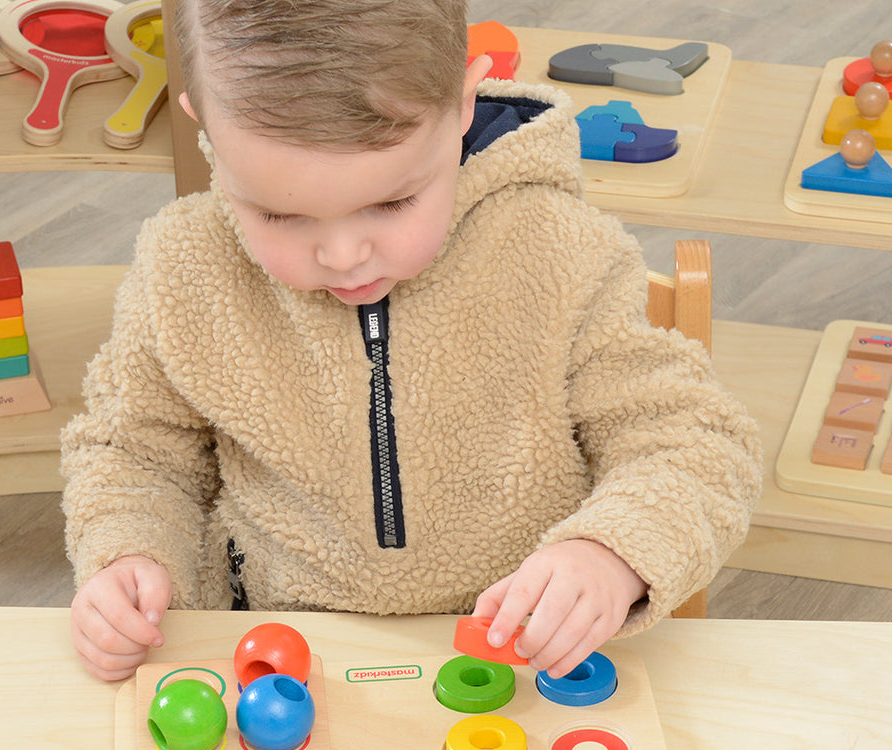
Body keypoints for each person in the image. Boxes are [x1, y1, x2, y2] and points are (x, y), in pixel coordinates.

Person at [61, 0, 763, 682]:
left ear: (461, 106)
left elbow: (694, 443)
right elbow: (135, 453)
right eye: (279, 214)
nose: (342, 257)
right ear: (206, 128)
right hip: (279, 659)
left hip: (521, 660)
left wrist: (611, 553)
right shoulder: (185, 267)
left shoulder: (561, 253)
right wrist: (128, 552)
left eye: (391, 202)